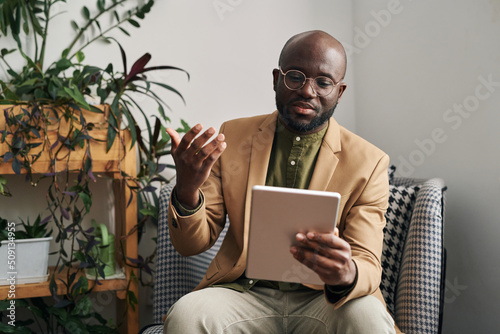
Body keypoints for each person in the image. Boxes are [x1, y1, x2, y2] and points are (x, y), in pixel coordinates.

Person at [164, 30, 398, 333]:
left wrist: (347, 272)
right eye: (296, 76)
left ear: (339, 92)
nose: (307, 91)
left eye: (323, 82)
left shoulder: (370, 162)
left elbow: (366, 259)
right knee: (187, 315)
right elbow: (192, 245)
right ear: (277, 78)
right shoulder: (233, 138)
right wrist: (187, 188)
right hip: (244, 293)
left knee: (368, 316)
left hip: (324, 301)